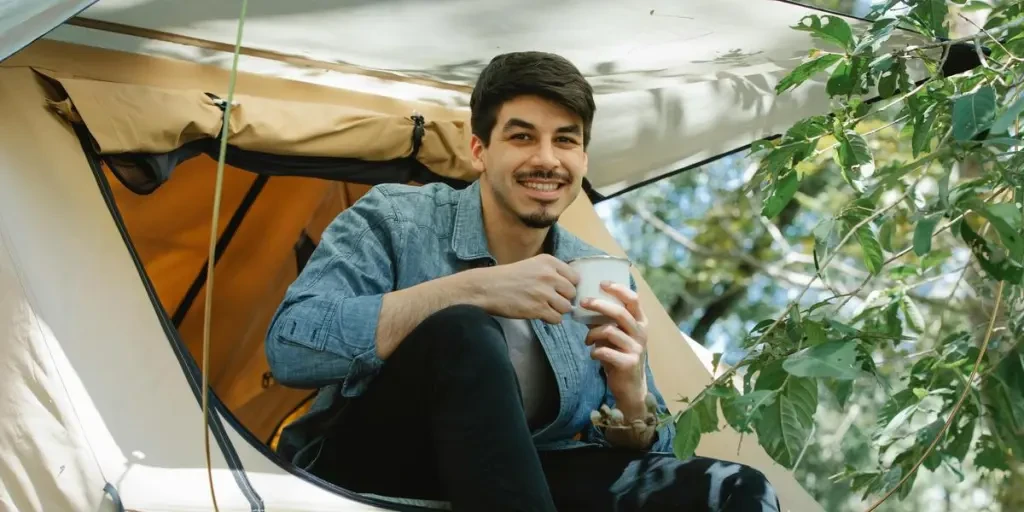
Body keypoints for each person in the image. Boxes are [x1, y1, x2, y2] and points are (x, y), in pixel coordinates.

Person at [265, 51, 781, 512]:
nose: (546, 160)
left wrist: (632, 399)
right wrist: (469, 290)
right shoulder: (396, 217)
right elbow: (291, 347)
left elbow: (655, 454)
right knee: (463, 329)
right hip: (369, 465)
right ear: (479, 150)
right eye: (522, 136)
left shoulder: (594, 269)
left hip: (524, 474)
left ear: (582, 159)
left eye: (566, 141)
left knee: (735, 490)